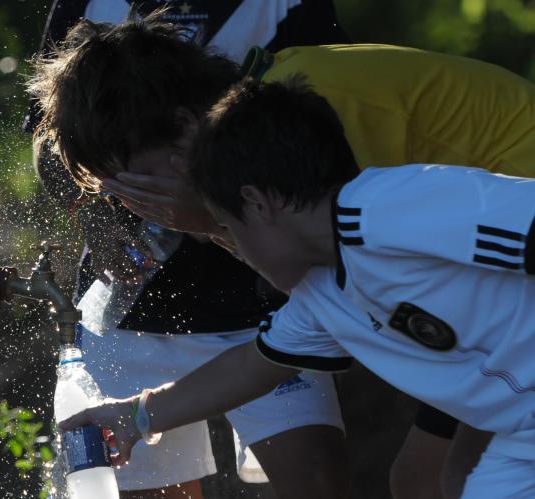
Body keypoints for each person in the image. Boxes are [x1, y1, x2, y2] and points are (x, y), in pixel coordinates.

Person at [29, 13, 535, 497]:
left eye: (143, 188)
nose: (151, 213)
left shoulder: (346, 165)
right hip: (504, 350)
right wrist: (135, 417)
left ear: (185, 132)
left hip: (515, 199)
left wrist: (207, 217)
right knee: (443, 477)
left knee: (439, 478)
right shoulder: (323, 278)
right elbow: (259, 359)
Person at [26, 2, 351, 498]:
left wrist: (208, 214)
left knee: (318, 484)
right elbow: (49, 129)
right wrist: (95, 220)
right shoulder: (91, 4)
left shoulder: (283, 5)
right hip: (131, 304)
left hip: (262, 293)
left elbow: (321, 126)